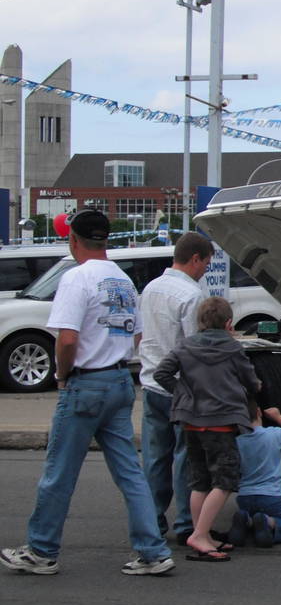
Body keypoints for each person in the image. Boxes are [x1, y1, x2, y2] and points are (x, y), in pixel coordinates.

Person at [0, 209, 174, 576]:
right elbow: (138, 336)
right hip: (120, 380)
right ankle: (153, 550)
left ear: (73, 240)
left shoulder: (76, 278)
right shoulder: (124, 281)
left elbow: (67, 338)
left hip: (85, 382)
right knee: (129, 471)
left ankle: (42, 550)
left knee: (59, 471)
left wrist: (62, 375)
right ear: (106, 240)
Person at [154, 295, 259, 562]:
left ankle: (200, 531)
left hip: (191, 421)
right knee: (225, 480)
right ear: (228, 323)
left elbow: (161, 374)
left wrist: (182, 395)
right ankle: (200, 535)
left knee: (199, 481)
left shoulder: (185, 346)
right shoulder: (233, 349)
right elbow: (251, 381)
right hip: (222, 422)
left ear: (199, 320)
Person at [137, 232, 213, 544]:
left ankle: (152, 521)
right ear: (195, 259)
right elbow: (194, 347)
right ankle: (185, 524)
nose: (206, 270)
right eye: (206, 264)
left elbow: (142, 336)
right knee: (187, 459)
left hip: (151, 383)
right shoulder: (191, 295)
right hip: (181, 387)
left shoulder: (151, 288)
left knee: (155, 458)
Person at [228, 399, 281, 548]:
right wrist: (277, 416)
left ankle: (247, 520)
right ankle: (268, 522)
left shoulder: (236, 442)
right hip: (272, 496)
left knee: (252, 515)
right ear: (258, 412)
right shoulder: (273, 435)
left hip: (245, 496)